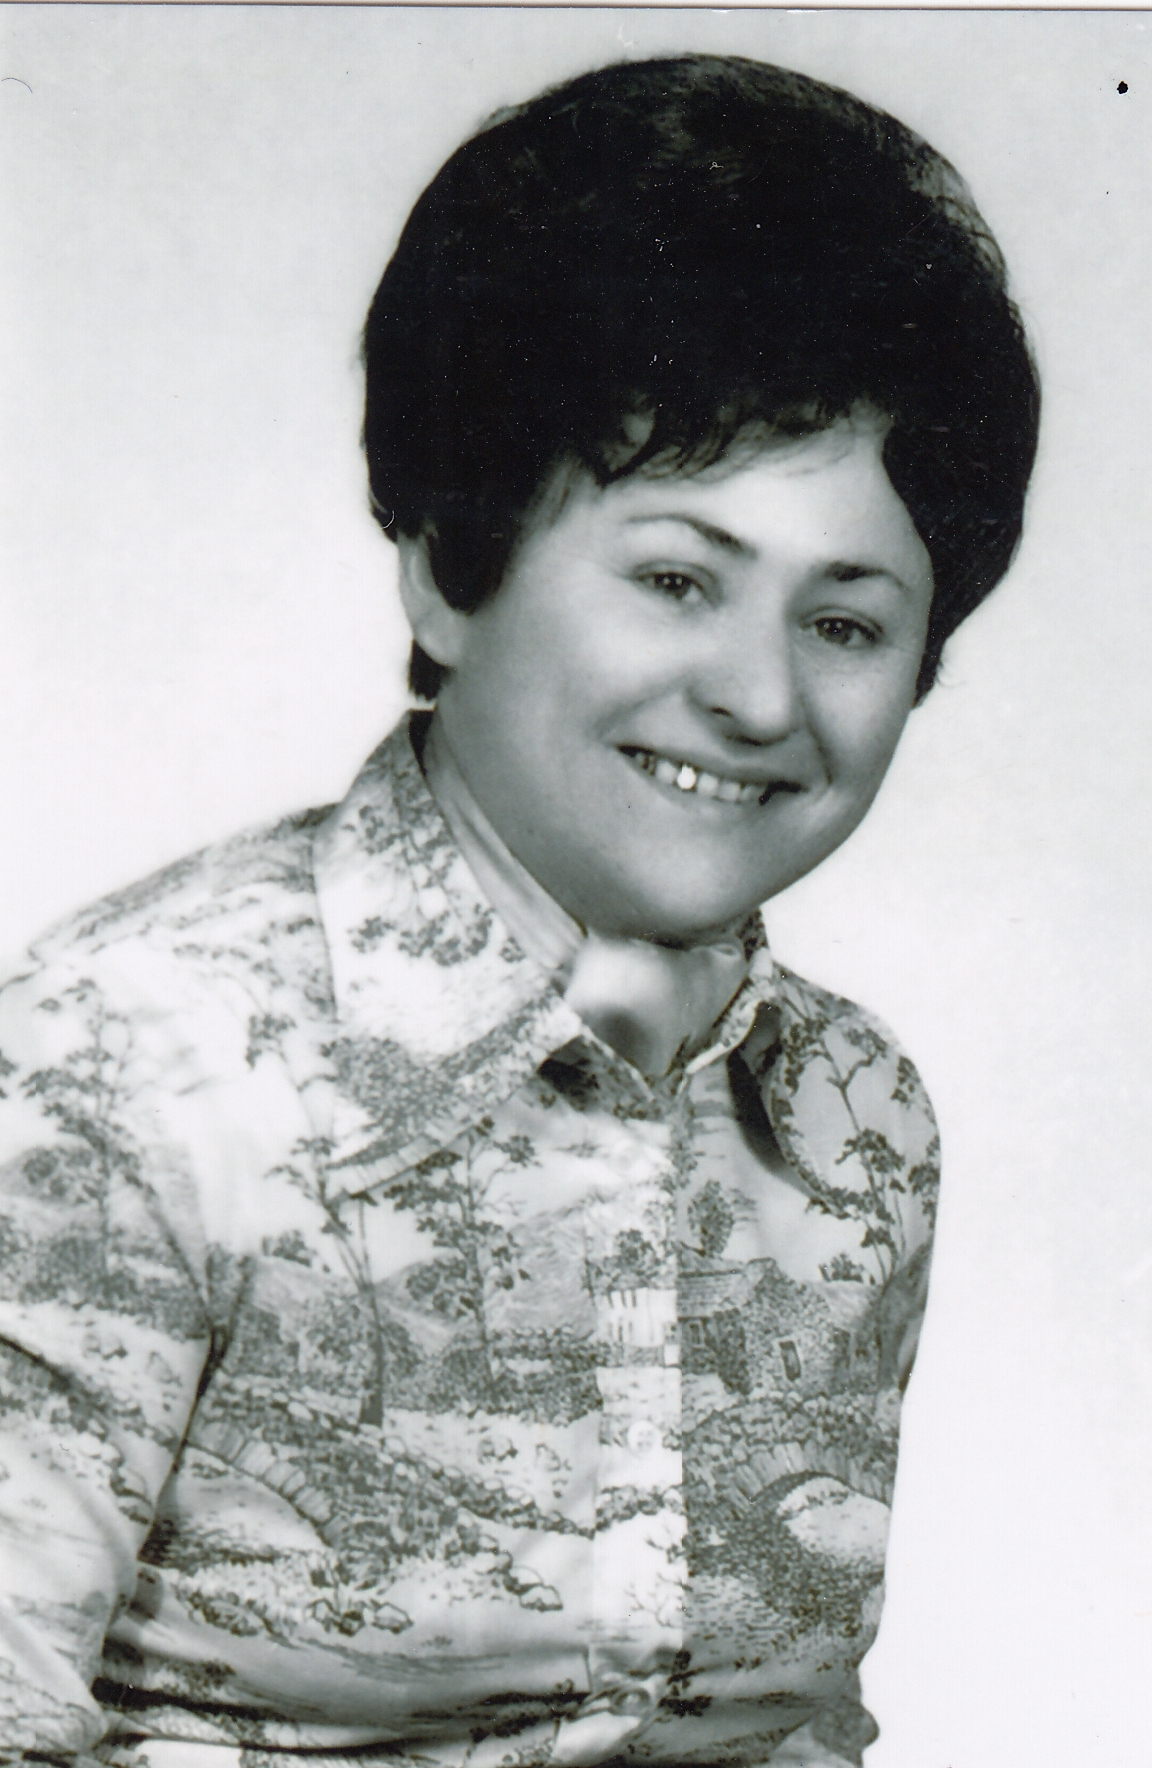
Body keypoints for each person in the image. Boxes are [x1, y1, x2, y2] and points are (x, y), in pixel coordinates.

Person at [0, 52, 1038, 1768]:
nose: (760, 696)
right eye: (678, 580)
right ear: (451, 563)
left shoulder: (855, 1124)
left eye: (847, 622)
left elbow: (788, 1729)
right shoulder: (126, 1068)